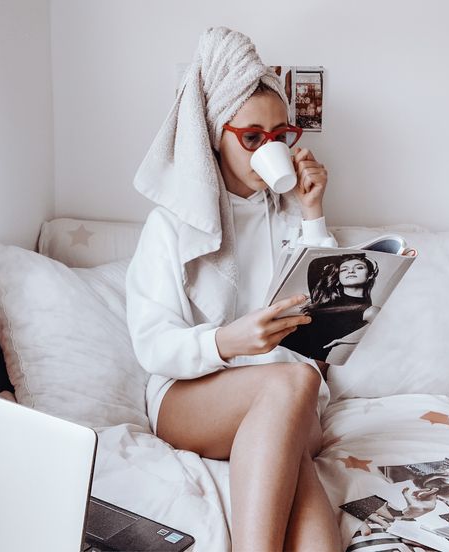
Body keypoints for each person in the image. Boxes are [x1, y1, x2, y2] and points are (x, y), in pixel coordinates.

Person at [126, 27, 342, 551]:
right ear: (213, 136)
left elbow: (331, 320)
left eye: (280, 135)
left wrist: (313, 211)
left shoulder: (288, 214)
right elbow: (152, 344)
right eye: (252, 138)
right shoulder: (169, 226)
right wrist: (227, 342)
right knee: (291, 385)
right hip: (191, 398)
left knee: (294, 394)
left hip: (286, 401)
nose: (270, 150)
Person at [280, 253, 379, 362]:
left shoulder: (370, 311)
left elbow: (386, 337)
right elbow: (315, 264)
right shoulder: (323, 296)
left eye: (359, 267)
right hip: (280, 344)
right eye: (344, 269)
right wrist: (351, 252)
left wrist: (343, 341)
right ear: (338, 275)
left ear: (370, 275)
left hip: (306, 358)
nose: (351, 271)